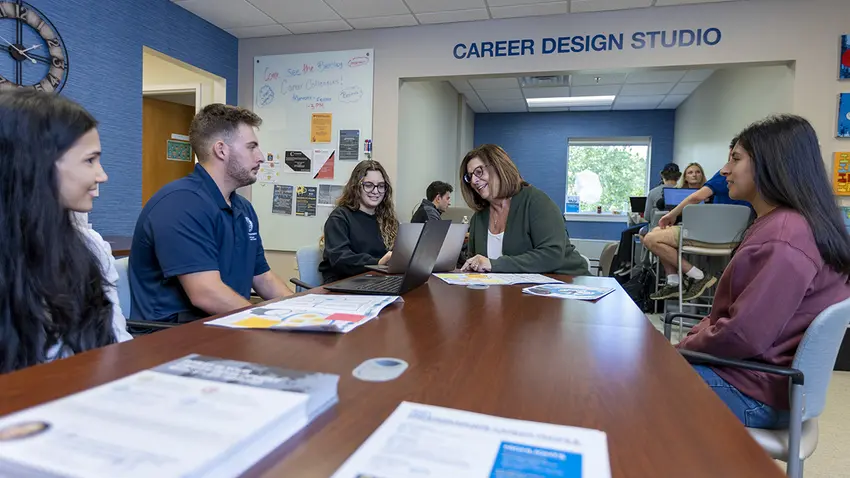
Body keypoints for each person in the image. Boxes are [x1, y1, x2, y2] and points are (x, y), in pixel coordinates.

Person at [675, 114, 850, 429]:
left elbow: (743, 335)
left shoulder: (786, 235)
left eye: (736, 159)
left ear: (772, 164)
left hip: (754, 392)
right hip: (761, 380)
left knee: (632, 380)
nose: (724, 170)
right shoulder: (792, 223)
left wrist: (679, 348)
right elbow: (735, 318)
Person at [0, 90, 131, 374]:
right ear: (36, 163)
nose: (102, 175)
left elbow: (114, 342)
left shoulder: (89, 247)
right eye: (90, 160)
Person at [129, 104, 291, 324]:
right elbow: (205, 293)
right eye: (251, 147)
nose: (261, 157)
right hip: (173, 336)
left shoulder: (243, 209)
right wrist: (268, 322)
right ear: (221, 150)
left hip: (225, 324)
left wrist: (299, 313)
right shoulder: (180, 203)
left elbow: (263, 278)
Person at [458, 144, 589, 276]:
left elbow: (552, 255)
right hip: (512, 292)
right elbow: (476, 261)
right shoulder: (478, 218)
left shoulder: (536, 201)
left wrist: (494, 264)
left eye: (479, 172)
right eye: (469, 177)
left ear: (499, 167)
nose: (473, 181)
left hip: (569, 285)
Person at [646, 140, 751, 301]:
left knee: (652, 237)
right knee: (657, 233)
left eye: (734, 158)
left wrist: (671, 214)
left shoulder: (725, 175)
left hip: (710, 235)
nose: (727, 166)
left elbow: (697, 197)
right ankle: (674, 281)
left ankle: (697, 276)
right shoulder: (757, 179)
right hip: (737, 239)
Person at [319, 160, 399, 284]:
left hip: (378, 281)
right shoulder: (340, 218)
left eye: (381, 186)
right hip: (344, 284)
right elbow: (340, 259)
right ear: (356, 187)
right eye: (368, 185)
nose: (376, 191)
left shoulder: (387, 219)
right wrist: (377, 263)